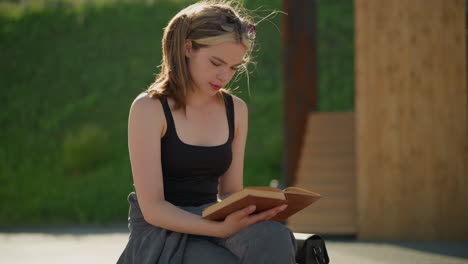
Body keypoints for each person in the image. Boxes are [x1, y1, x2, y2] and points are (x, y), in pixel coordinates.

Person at [117, 0, 297, 263]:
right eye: (216, 62)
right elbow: (153, 209)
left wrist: (255, 211)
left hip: (214, 217)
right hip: (160, 231)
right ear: (188, 48)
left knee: (275, 237)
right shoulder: (149, 108)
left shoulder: (236, 109)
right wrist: (218, 228)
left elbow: (231, 191)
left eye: (234, 68)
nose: (224, 75)